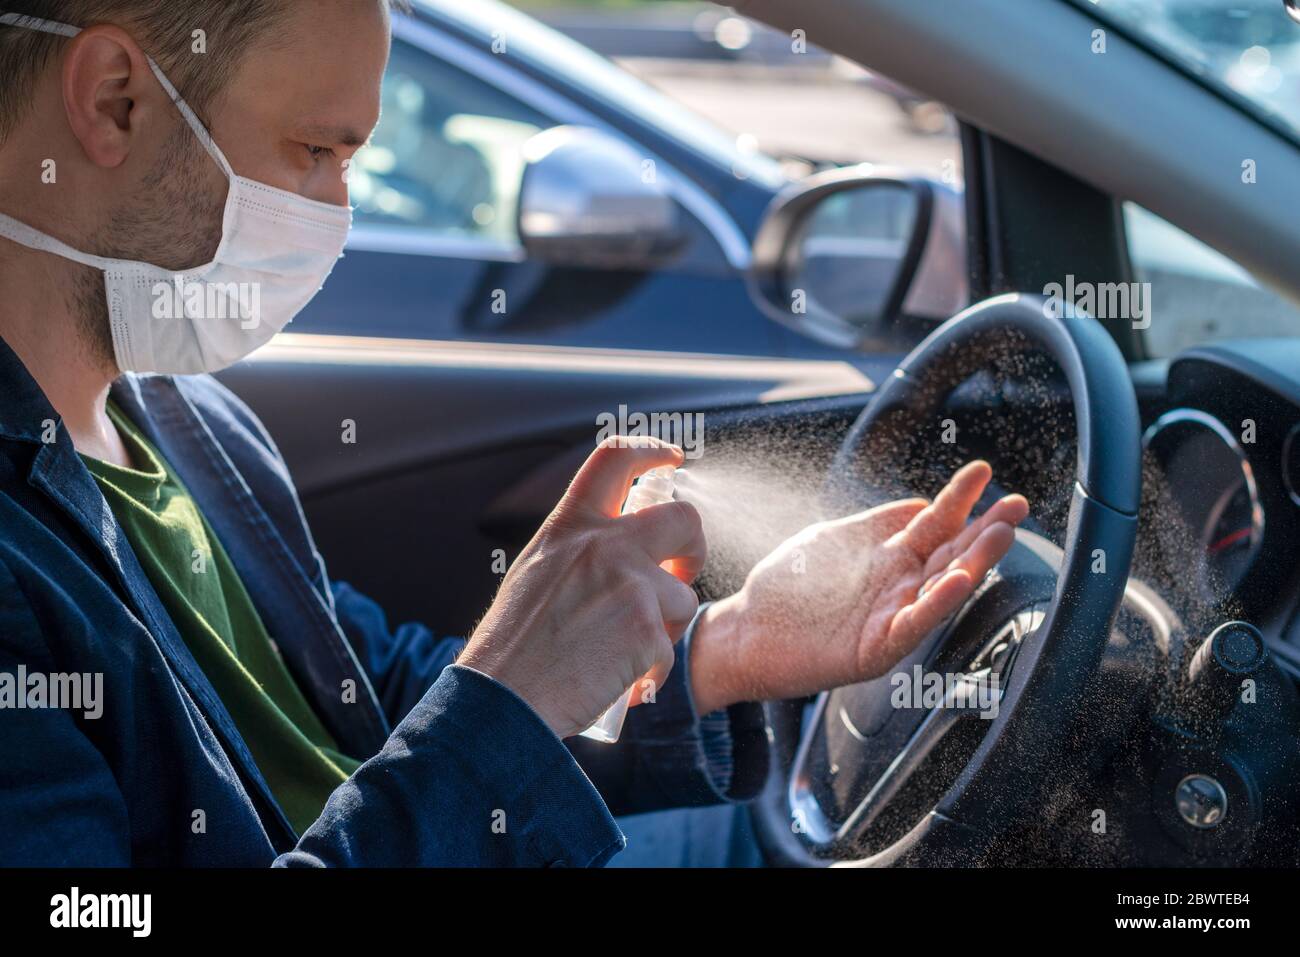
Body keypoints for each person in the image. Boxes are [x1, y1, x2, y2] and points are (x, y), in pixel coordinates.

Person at [0, 0, 1029, 866]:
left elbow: (372, 701)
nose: (339, 211)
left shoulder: (183, 410)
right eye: (314, 151)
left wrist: (729, 650)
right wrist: (512, 694)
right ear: (114, 101)